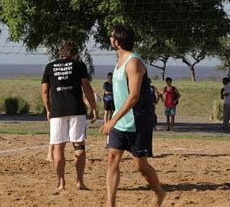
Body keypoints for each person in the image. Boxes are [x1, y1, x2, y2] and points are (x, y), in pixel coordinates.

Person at [100, 25, 165, 207]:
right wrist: (115, 119)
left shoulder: (134, 62)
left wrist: (112, 119)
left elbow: (134, 96)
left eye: (111, 36)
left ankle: (159, 193)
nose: (109, 38)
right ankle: (110, 204)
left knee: (140, 166)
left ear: (117, 42)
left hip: (138, 120)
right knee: (112, 157)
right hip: (121, 121)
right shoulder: (119, 60)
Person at [41, 40, 97, 193]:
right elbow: (87, 87)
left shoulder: (50, 66)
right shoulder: (79, 65)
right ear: (75, 54)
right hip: (76, 110)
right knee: (79, 146)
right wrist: (94, 107)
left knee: (58, 147)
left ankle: (61, 183)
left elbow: (44, 91)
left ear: (60, 53)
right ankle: (79, 181)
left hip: (57, 111)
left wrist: (48, 109)